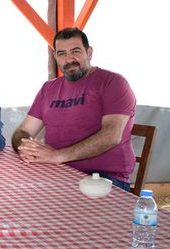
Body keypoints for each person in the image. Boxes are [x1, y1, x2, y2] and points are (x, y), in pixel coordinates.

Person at [12, 27, 136, 190]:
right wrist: (25, 148)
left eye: (75, 51)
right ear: (55, 57)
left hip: (102, 178)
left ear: (89, 52)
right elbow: (23, 130)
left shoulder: (113, 83)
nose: (69, 59)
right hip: (57, 172)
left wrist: (58, 156)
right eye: (62, 53)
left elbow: (112, 135)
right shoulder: (48, 88)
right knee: (11, 196)